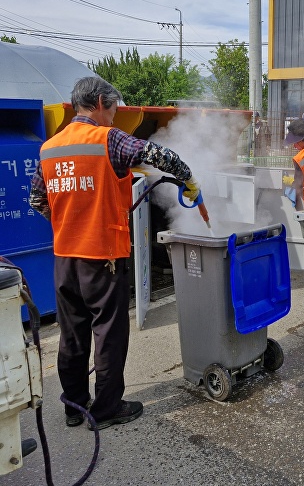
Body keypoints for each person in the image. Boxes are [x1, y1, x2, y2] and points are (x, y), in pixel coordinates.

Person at [29, 76, 200, 431]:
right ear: (102, 103)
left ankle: (74, 407)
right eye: (115, 108)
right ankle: (106, 409)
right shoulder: (108, 139)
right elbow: (161, 156)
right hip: (102, 256)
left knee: (72, 333)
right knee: (108, 332)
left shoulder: (50, 147)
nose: (115, 115)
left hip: (65, 258)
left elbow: (36, 200)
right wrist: (189, 179)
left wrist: (65, 221)